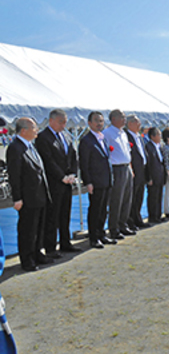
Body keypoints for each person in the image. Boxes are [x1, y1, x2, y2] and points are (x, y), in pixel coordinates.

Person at [7, 118, 52, 271]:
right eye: (34, 128)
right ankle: (27, 260)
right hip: (28, 197)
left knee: (38, 228)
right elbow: (15, 175)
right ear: (24, 130)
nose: (36, 130)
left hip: (39, 195)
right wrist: (17, 198)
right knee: (27, 230)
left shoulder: (30, 146)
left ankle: (38, 253)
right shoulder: (15, 148)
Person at [35, 109, 81, 258]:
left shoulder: (65, 136)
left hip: (67, 182)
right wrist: (61, 176)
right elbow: (48, 161)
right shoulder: (43, 137)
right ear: (51, 121)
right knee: (52, 216)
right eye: (61, 122)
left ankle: (65, 243)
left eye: (65, 122)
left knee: (65, 214)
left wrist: (73, 174)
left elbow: (73, 156)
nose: (63, 125)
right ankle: (50, 247)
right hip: (54, 183)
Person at [79, 112, 116, 249]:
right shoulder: (86, 141)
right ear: (89, 123)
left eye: (101, 121)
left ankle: (101, 234)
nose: (99, 123)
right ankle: (94, 238)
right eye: (96, 121)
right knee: (95, 209)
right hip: (95, 181)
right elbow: (84, 163)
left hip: (106, 180)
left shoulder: (103, 138)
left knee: (103, 210)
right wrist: (88, 182)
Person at [103, 109, 134, 240]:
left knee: (127, 198)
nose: (125, 119)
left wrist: (131, 168)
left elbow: (127, 151)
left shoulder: (123, 134)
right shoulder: (107, 133)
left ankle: (123, 224)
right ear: (114, 119)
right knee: (117, 199)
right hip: (116, 168)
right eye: (122, 117)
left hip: (126, 167)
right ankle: (114, 228)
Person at [125, 115, 150, 230]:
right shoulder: (126, 136)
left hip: (142, 170)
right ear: (130, 124)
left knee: (139, 196)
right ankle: (130, 221)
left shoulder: (139, 137)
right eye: (137, 122)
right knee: (132, 197)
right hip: (133, 171)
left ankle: (138, 218)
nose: (139, 125)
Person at [145, 128, 165, 223]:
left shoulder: (159, 146)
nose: (160, 137)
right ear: (152, 136)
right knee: (153, 197)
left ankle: (158, 215)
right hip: (153, 176)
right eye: (158, 134)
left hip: (160, 175)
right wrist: (149, 178)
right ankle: (152, 216)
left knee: (159, 196)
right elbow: (148, 164)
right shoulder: (148, 147)